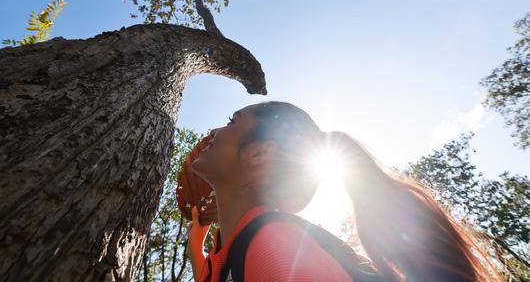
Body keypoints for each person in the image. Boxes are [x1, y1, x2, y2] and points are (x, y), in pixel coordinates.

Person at [186, 101, 500, 282]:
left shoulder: (273, 247)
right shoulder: (241, 247)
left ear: (259, 154)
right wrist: (197, 244)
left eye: (232, 121)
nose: (215, 131)